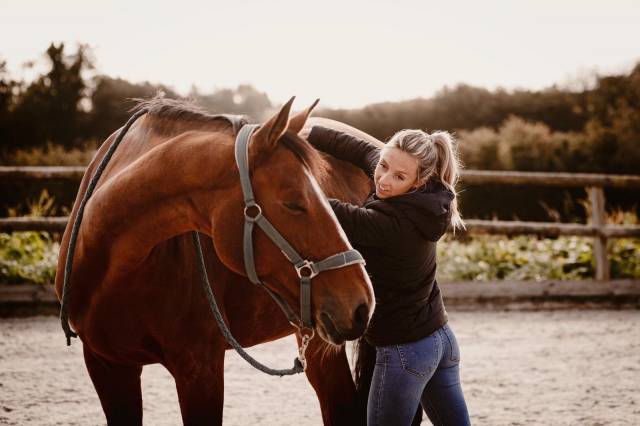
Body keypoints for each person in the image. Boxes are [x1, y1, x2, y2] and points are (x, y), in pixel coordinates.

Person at [305, 126, 470, 426]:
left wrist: (283, 183)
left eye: (399, 176)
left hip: (404, 353)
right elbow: (358, 148)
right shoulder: (429, 198)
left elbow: (325, 209)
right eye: (383, 165)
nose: (383, 179)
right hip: (440, 338)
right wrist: (312, 131)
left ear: (418, 181)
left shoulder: (391, 225)